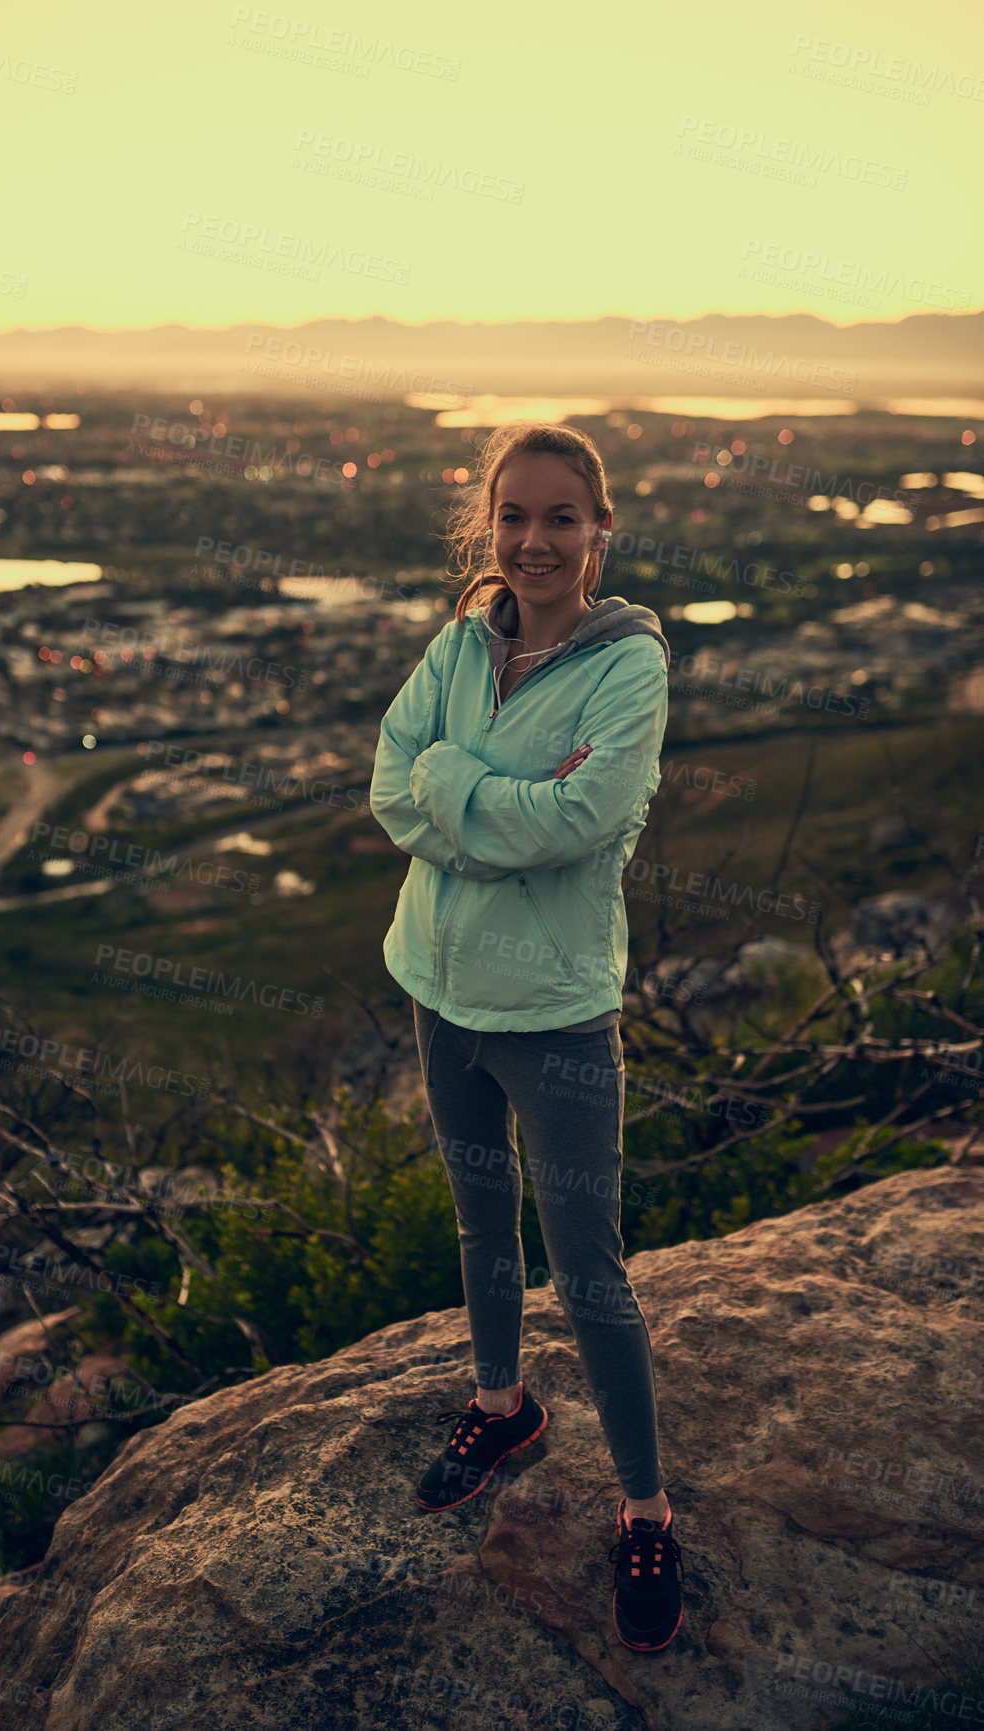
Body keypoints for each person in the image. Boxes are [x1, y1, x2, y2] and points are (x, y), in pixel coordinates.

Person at [368, 421, 684, 1652]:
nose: (534, 541)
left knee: (590, 1270)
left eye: (561, 519)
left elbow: (580, 820)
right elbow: (389, 780)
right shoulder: (457, 644)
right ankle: (500, 1405)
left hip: (553, 1011)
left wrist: (454, 792)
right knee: (475, 1211)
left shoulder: (628, 668)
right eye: (515, 518)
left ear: (599, 532)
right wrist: (475, 801)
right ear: (486, 527)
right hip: (436, 986)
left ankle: (645, 1505)